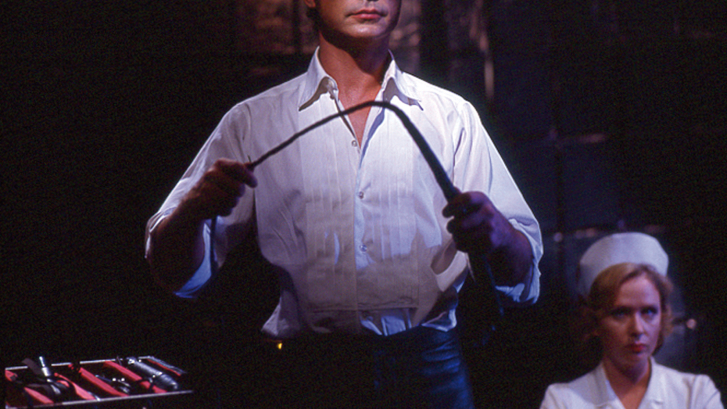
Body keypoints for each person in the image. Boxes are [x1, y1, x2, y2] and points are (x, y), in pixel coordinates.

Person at [145, 0, 542, 407]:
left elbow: (523, 276)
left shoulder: (451, 117)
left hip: (431, 376)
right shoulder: (254, 121)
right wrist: (193, 211)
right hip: (308, 380)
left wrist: (498, 235)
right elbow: (176, 275)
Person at [540, 232, 723, 409]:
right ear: (594, 322)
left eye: (649, 312)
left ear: (662, 316)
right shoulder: (563, 401)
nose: (637, 329)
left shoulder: (696, 394)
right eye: (620, 313)